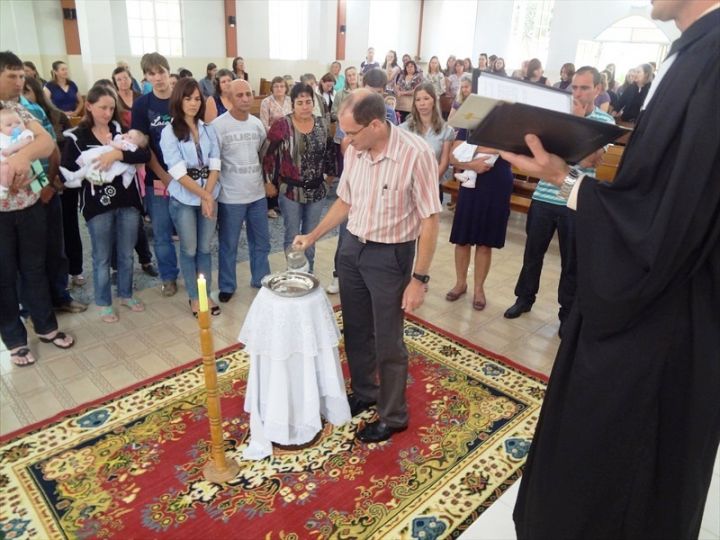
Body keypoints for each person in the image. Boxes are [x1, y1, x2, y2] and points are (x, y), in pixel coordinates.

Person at [498, 3, 720, 538]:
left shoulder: (711, 59)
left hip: (662, 322)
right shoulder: (696, 50)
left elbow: (663, 224)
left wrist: (566, 179)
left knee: (618, 480)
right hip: (672, 308)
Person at [293, 89, 442, 443]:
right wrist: (313, 235)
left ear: (376, 124)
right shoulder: (356, 150)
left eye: (352, 133)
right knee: (357, 329)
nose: (346, 139)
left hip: (390, 256)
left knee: (388, 340)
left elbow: (430, 220)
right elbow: (345, 200)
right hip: (351, 249)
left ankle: (393, 415)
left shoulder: (415, 154)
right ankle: (365, 392)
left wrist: (418, 279)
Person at [503, 67, 615, 337]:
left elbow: (588, 160)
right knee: (532, 254)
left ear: (598, 90)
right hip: (543, 195)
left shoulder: (604, 123)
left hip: (574, 198)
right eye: (574, 87)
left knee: (570, 261)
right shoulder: (556, 116)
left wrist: (574, 130)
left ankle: (566, 313)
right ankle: (524, 299)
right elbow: (546, 155)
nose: (577, 93)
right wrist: (570, 150)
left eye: (585, 88)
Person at [61, 84, 150, 323]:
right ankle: (103, 301)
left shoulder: (121, 131)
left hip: (128, 200)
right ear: (89, 106)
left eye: (111, 108)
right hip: (97, 205)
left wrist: (117, 154)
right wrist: (88, 171)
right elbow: (67, 170)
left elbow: (143, 154)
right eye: (102, 108)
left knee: (126, 252)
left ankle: (125, 294)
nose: (107, 113)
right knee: (101, 256)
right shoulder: (77, 137)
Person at [1, 85, 75, 365]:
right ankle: (14, 339)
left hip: (29, 205)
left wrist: (22, 155)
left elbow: (46, 143)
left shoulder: (15, 108)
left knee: (35, 268)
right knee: (4, 276)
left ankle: (46, 327)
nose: (17, 82)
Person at [160, 78, 221, 317]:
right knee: (190, 249)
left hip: (209, 194)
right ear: (179, 99)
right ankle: (194, 298)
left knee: (205, 248)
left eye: (197, 99)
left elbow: (215, 162)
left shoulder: (208, 128)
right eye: (188, 98)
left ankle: (206, 295)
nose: (194, 103)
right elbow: (176, 171)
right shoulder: (169, 131)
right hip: (185, 198)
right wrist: (205, 195)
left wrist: (209, 195)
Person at [262, 82, 336, 272]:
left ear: (313, 103)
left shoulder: (321, 124)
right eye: (300, 102)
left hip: (317, 192)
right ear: (292, 104)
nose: (305, 106)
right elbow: (266, 155)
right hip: (290, 192)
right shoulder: (282, 125)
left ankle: (307, 274)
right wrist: (267, 182)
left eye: (308, 102)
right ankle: (294, 275)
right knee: (292, 234)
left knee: (311, 235)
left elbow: (329, 154)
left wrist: (328, 181)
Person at [445, 111, 513, 309]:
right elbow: (454, 156)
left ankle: (479, 289)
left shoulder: (508, 125)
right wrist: (472, 163)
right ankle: (460, 283)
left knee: (485, 242)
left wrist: (471, 149)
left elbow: (505, 150)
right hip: (470, 183)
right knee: (462, 238)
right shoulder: (471, 121)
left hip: (497, 184)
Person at [213, 79, 272, 301]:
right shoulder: (219, 126)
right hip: (231, 196)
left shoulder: (256, 124)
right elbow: (214, 162)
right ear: (229, 98)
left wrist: (266, 182)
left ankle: (261, 278)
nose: (246, 98)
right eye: (240, 95)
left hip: (256, 194)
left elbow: (263, 156)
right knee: (228, 244)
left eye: (248, 94)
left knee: (262, 241)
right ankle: (227, 285)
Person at [131, 52, 180, 296]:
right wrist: (163, 175)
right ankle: (169, 276)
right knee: (161, 233)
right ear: (146, 77)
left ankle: (193, 273)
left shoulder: (181, 99)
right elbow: (143, 143)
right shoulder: (142, 104)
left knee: (190, 230)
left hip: (187, 178)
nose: (158, 77)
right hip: (157, 178)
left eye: (161, 71)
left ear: (168, 72)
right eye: (152, 73)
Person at [399, 82, 455, 202]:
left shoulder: (446, 130)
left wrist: (427, 184)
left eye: (426, 98)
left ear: (434, 100)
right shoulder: (403, 129)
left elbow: (444, 164)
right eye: (418, 100)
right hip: (408, 187)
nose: (422, 103)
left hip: (432, 186)